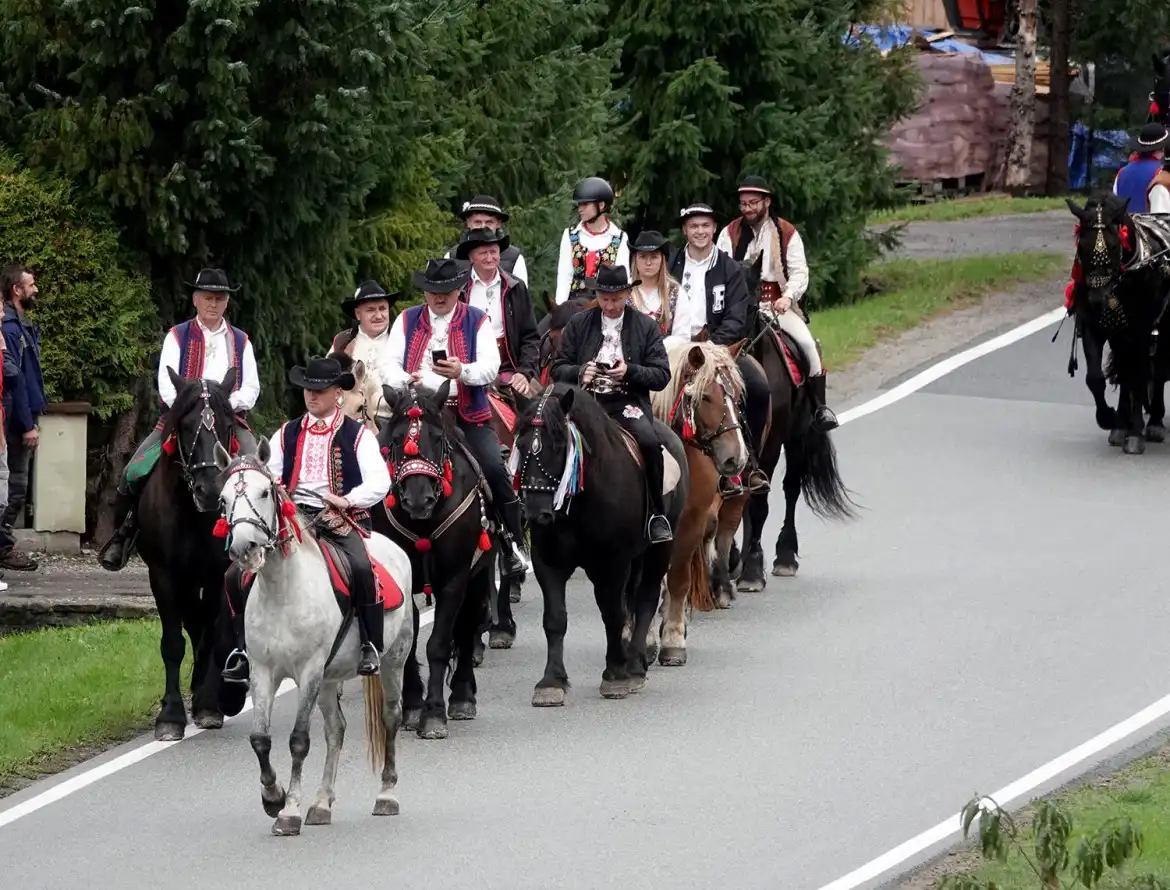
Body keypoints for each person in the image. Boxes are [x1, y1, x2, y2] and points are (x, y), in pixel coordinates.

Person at [222, 355, 391, 682]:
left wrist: (346, 499)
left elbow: (379, 481)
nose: (312, 396)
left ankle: (370, 643)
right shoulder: (287, 433)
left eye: (321, 390)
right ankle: (243, 650)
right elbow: (267, 475)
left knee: (360, 566)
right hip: (291, 517)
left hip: (339, 516)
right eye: (307, 390)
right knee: (234, 575)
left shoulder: (357, 435)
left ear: (337, 393)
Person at [98, 268, 260, 572]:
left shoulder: (241, 341)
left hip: (228, 421)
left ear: (227, 303)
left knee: (262, 471)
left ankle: (266, 540)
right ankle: (124, 534)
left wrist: (225, 405)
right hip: (182, 420)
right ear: (196, 299)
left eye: (220, 298)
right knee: (133, 471)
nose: (213, 303)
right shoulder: (177, 335)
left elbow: (251, 387)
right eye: (208, 297)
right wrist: (191, 409)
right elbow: (166, 382)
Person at [381, 257, 530, 572]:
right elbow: (388, 367)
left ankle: (512, 543)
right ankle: (368, 536)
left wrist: (461, 370)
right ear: (424, 292)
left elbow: (490, 367)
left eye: (446, 290)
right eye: (432, 290)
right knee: (375, 458)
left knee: (493, 467)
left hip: (463, 414)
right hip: (416, 414)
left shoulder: (477, 320)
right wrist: (408, 380)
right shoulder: (406, 321)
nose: (439, 297)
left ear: (459, 289)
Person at [551, 263, 673, 544]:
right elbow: (558, 368)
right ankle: (548, 507)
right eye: (604, 299)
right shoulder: (579, 323)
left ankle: (656, 512)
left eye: (616, 299)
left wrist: (630, 371)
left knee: (650, 442)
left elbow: (661, 374)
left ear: (628, 294)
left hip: (627, 401)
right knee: (551, 436)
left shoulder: (645, 325)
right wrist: (581, 371)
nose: (610, 305)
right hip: (585, 402)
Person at [716, 177, 838, 433]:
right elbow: (720, 270)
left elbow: (799, 272)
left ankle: (819, 408)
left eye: (753, 203)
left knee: (806, 344)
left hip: (777, 304)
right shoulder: (729, 233)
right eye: (743, 204)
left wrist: (788, 297)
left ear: (767, 202)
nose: (747, 208)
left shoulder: (786, 232)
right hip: (738, 307)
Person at [665, 203, 771, 493]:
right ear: (685, 230)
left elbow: (737, 317)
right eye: (694, 226)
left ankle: (748, 466)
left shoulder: (729, 268)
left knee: (758, 388)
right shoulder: (671, 264)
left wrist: (713, 347)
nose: (700, 231)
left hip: (718, 348)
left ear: (714, 229)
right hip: (676, 348)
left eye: (705, 226)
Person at [455, 227, 541, 399]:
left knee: (540, 409)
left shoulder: (516, 287)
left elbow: (530, 337)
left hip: (509, 368)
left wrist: (524, 373)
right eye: (483, 253)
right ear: (471, 257)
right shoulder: (458, 289)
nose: (489, 258)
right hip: (467, 367)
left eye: (493, 252)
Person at [0, 265, 43, 571]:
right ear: (17, 290)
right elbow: (17, 381)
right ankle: (3, 548)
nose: (35, 290)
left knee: (14, 487)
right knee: (13, 488)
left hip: (20, 418)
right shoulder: (11, 329)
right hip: (14, 422)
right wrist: (27, 424)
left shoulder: (21, 325)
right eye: (31, 285)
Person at [329, 278, 398, 424]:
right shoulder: (343, 341)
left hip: (393, 421)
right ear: (358, 314)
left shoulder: (401, 339)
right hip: (349, 420)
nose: (379, 315)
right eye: (371, 310)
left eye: (382, 308)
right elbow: (327, 380)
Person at [554, 176, 630, 305]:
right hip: (574, 303)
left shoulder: (619, 238)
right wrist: (560, 308)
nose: (580, 209)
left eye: (585, 204)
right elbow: (564, 276)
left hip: (605, 305)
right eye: (579, 204)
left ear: (601, 205)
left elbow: (624, 279)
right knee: (543, 326)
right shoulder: (570, 235)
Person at [445, 195, 529, 284]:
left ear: (498, 224)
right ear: (468, 223)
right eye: (477, 222)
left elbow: (521, 295)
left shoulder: (514, 258)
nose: (483, 227)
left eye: (489, 223)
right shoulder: (451, 257)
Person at [626, 230, 680, 335]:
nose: (648, 262)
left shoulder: (676, 292)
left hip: (667, 350)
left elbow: (682, 336)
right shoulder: (623, 290)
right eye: (642, 256)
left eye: (654, 257)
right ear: (635, 259)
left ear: (662, 259)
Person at [1113, 122, 1170, 214]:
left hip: (1125, 227)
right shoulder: (1162, 175)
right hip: (1150, 227)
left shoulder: (1121, 173)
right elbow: (1162, 218)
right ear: (1163, 148)